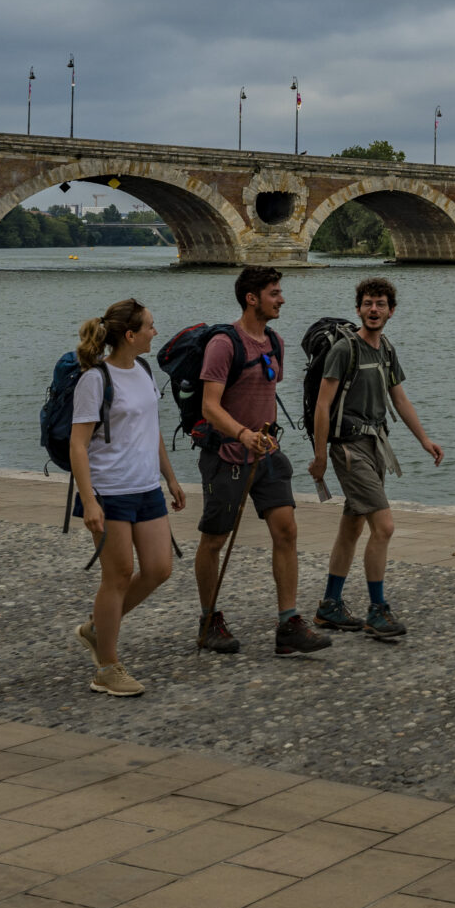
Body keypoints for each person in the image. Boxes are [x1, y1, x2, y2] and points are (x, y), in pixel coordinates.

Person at [191, 267, 330, 657]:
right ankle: (209, 619)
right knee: (214, 540)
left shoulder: (275, 342)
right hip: (227, 455)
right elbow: (209, 406)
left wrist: (260, 438)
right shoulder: (223, 344)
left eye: (280, 292)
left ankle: (288, 623)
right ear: (252, 298)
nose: (281, 299)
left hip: (266, 455)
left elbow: (265, 390)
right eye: (274, 292)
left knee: (286, 531)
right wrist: (242, 434)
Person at [309, 275, 443, 639]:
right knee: (384, 527)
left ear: (391, 311)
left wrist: (424, 440)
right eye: (367, 303)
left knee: (353, 525)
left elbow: (399, 399)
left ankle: (329, 605)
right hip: (348, 448)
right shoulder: (344, 350)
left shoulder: (386, 349)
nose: (373, 309)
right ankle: (376, 610)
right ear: (358, 309)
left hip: (375, 445)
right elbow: (322, 406)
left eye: (380, 304)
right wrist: (320, 456)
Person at [67, 298, 185, 696]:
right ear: (130, 335)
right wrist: (90, 502)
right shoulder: (95, 380)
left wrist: (170, 479)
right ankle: (107, 667)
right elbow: (78, 445)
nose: (156, 331)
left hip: (146, 486)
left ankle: (98, 628)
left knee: (158, 569)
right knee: (116, 577)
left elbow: (150, 430)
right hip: (110, 491)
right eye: (150, 326)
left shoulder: (145, 369)